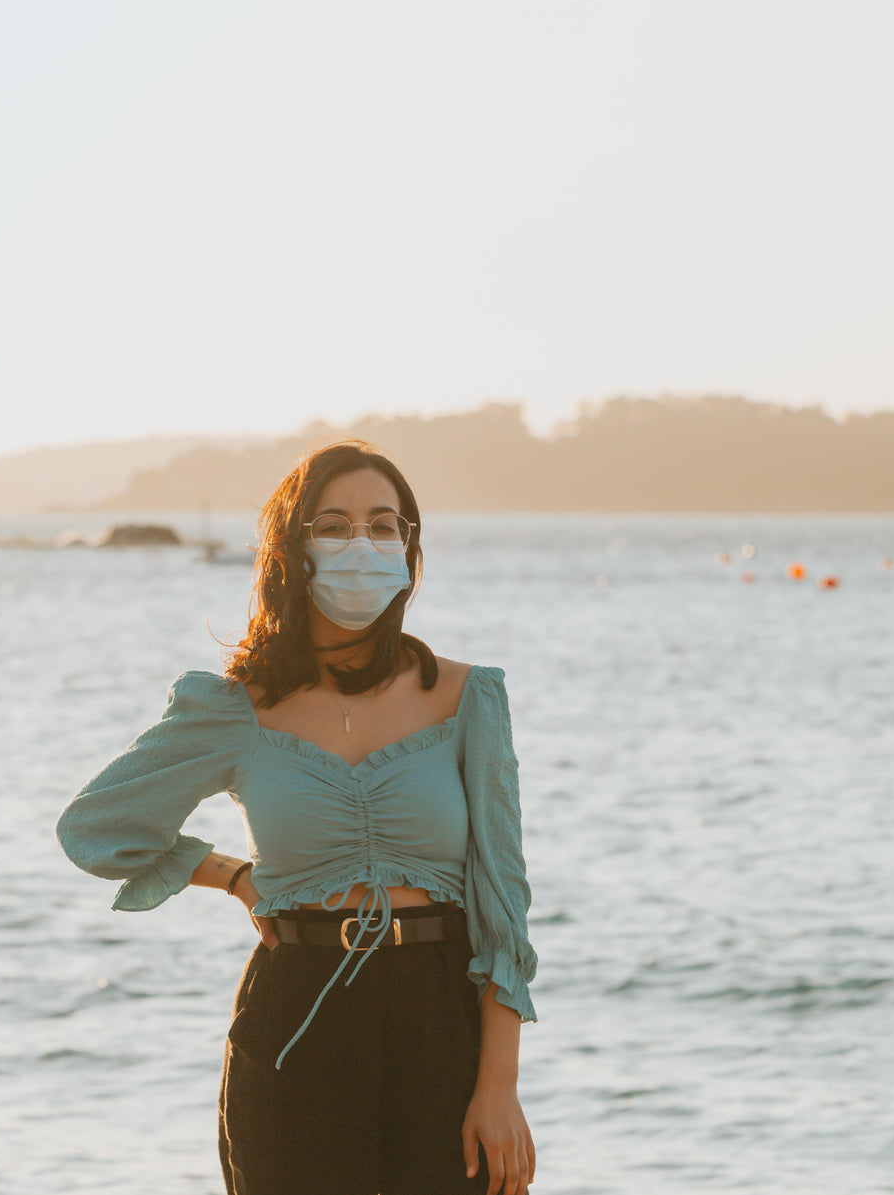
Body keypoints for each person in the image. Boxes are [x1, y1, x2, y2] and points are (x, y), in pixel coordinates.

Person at [55, 440, 538, 1195]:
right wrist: (229, 875)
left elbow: (503, 903)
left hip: (442, 1020)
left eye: (385, 526)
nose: (363, 545)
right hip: (295, 1025)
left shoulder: (467, 696)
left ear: (409, 548)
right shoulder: (238, 706)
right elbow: (95, 824)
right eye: (335, 525)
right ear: (292, 549)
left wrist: (499, 1086)